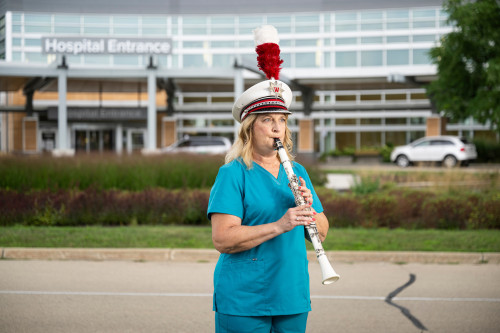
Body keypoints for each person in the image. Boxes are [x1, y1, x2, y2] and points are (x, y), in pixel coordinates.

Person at [207, 26, 329, 333]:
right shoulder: (232, 173)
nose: (277, 128)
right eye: (267, 120)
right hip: (244, 298)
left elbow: (323, 232)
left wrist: (309, 211)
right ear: (250, 127)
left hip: (291, 294)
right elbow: (222, 239)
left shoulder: (297, 173)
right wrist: (281, 224)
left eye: (282, 121)